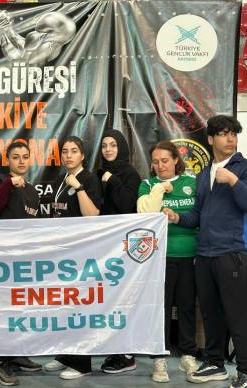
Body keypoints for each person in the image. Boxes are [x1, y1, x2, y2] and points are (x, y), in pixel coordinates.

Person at [164, 115, 247, 388]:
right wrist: (177, 217)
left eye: (233, 134)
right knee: (210, 313)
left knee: (238, 315)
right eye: (223, 134)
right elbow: (198, 214)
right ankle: (215, 363)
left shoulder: (246, 169)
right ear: (210, 139)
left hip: (233, 252)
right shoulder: (203, 173)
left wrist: (233, 180)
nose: (230, 139)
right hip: (205, 253)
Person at [137, 140, 199, 383]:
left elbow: (199, 216)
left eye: (165, 160)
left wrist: (177, 218)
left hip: (189, 255)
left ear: (175, 160)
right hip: (158, 257)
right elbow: (145, 215)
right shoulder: (147, 185)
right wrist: (160, 189)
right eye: (155, 162)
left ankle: (188, 355)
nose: (160, 165)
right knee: (160, 309)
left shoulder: (191, 183)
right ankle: (159, 357)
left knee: (186, 307)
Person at [0, 141, 43, 386]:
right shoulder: (0, 180)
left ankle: (17, 355)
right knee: (4, 312)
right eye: (16, 157)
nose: (21, 161)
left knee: (21, 311)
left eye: (25, 156)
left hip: (24, 261)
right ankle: (2, 363)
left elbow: (35, 228)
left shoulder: (33, 192)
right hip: (2, 260)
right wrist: (9, 183)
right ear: (8, 160)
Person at [44, 136, 102, 380]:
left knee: (79, 306)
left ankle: (82, 363)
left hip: (82, 251)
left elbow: (92, 214)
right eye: (65, 151)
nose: (69, 155)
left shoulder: (88, 178)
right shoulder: (61, 179)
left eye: (74, 151)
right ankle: (65, 355)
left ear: (83, 155)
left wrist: (78, 188)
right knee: (63, 305)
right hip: (63, 251)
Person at [96, 129, 141, 374]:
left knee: (124, 298)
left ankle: (127, 354)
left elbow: (127, 204)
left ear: (121, 147)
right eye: (104, 145)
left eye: (113, 145)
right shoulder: (99, 172)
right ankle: (115, 349)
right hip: (104, 246)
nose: (108, 150)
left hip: (124, 247)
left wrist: (112, 181)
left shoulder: (130, 173)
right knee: (108, 299)